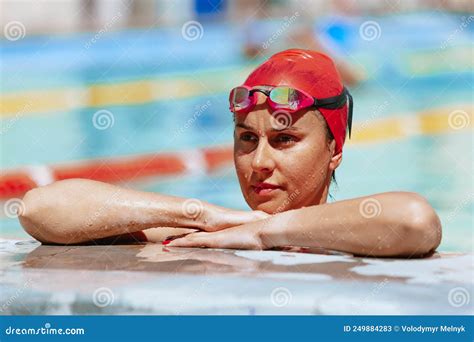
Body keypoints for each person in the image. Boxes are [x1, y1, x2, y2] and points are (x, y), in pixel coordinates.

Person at [19, 49, 441, 257]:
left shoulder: (354, 235)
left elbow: (415, 219)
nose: (258, 163)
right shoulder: (208, 235)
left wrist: (263, 233)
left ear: (334, 151)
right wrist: (199, 215)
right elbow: (39, 208)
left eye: (284, 140)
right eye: (245, 139)